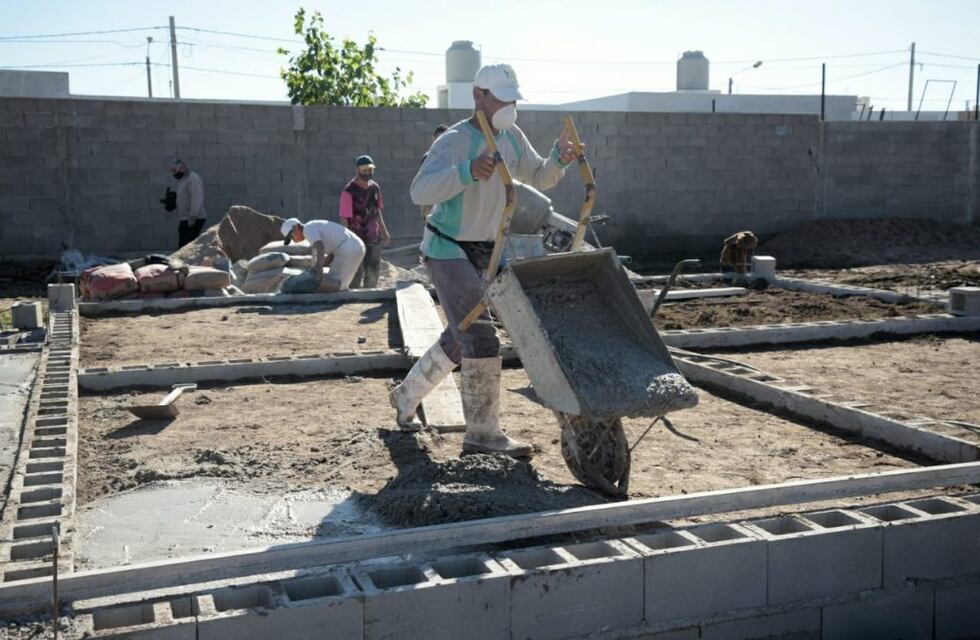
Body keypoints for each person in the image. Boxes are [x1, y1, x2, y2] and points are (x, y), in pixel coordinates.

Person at [390, 64, 578, 458]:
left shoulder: (511, 135)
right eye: (501, 98)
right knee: (480, 336)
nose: (509, 105)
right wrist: (466, 171)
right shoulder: (456, 141)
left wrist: (559, 159)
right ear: (479, 96)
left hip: (487, 249)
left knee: (459, 338)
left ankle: (406, 395)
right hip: (448, 248)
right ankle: (482, 436)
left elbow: (539, 176)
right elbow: (419, 190)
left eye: (513, 98)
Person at [340, 156, 390, 289]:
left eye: (370, 170)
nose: (368, 173)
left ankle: (370, 294)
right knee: (355, 270)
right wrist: (347, 240)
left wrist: (384, 232)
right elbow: (344, 218)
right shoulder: (349, 191)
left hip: (373, 236)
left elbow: (377, 211)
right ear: (357, 170)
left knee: (373, 268)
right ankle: (353, 298)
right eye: (365, 170)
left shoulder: (375, 188)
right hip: (356, 237)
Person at [280, 217, 366, 292]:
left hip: (348, 248)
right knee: (339, 285)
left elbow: (318, 246)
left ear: (296, 227)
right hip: (356, 246)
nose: (294, 240)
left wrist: (318, 268)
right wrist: (317, 267)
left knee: (336, 286)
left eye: (292, 236)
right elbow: (332, 255)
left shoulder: (307, 229)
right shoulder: (313, 228)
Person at [169, 159, 207, 248]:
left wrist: (193, 216)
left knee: (186, 247)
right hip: (186, 218)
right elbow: (185, 197)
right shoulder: (182, 180)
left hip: (194, 218)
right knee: (184, 245)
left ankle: (189, 262)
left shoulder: (192, 179)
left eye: (174, 170)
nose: (173, 174)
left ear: (182, 168)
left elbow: (196, 198)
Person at [419, 124, 450, 220]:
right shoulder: (428, 158)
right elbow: (425, 183)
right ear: (434, 139)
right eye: (439, 139)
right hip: (432, 204)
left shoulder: (452, 157)